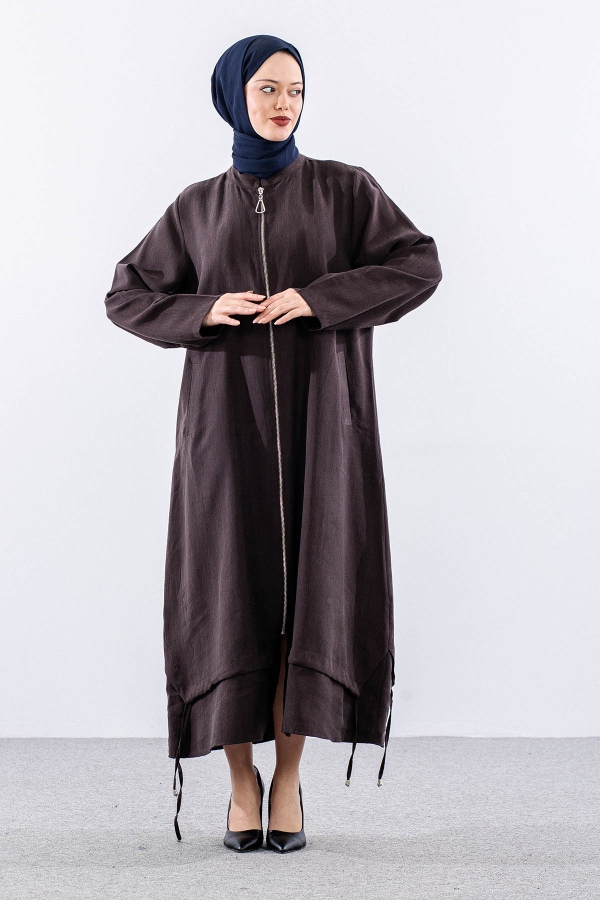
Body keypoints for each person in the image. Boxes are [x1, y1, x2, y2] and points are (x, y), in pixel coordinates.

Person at [104, 33, 443, 854]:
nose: (283, 102)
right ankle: (239, 785)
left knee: (308, 596)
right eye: (267, 88)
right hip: (225, 436)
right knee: (229, 598)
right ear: (234, 96)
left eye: (294, 89)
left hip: (325, 429)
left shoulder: (345, 190)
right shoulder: (196, 207)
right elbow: (126, 293)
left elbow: (418, 265)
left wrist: (322, 299)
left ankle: (287, 780)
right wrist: (204, 309)